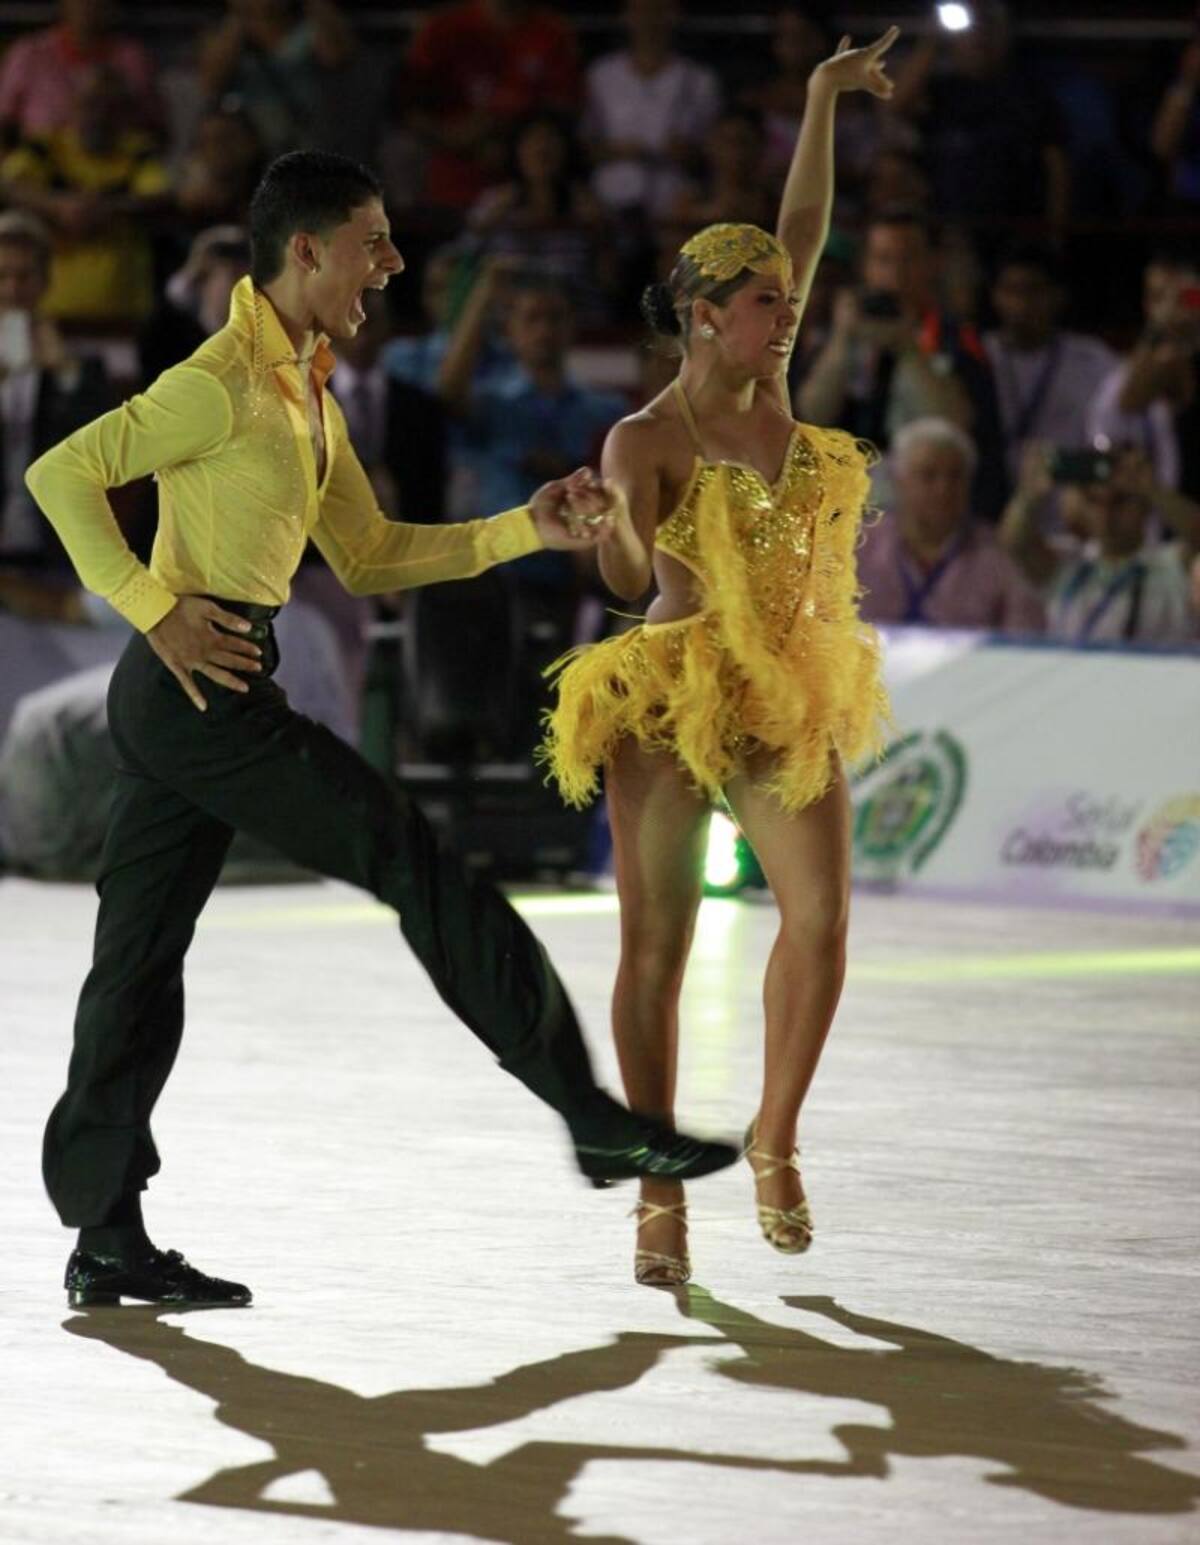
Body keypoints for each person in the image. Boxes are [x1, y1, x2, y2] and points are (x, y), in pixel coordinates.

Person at [25, 149, 738, 1311]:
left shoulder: (306, 391)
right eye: (374, 240)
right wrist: (155, 612)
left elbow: (368, 557)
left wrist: (528, 526)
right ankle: (590, 1118)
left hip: (206, 693)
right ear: (306, 249)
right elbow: (62, 475)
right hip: (196, 694)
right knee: (413, 861)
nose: (394, 263)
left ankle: (106, 1235)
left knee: (137, 964)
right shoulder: (218, 382)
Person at [540, 31, 900, 1287]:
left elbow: (803, 218)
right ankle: (656, 1181)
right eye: (763, 300)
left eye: (786, 298)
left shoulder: (778, 378)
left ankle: (775, 1136)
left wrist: (817, 100)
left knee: (824, 918)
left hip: (788, 683)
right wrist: (616, 524)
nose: (786, 308)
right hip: (671, 690)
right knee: (658, 947)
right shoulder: (646, 432)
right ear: (704, 317)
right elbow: (632, 585)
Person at [796, 209, 1007, 517]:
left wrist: (909, 348)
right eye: (883, 259)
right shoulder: (840, 333)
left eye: (909, 259)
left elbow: (956, 423)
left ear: (932, 264)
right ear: (866, 268)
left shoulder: (957, 340)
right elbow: (811, 412)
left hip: (928, 510)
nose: (896, 272)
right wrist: (842, 341)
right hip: (846, 510)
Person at [0, 211, 112, 620]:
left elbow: (108, 450)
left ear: (46, 282)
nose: (13, 289)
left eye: (25, 276)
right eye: (2, 276)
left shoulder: (82, 363)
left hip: (53, 555)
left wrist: (65, 373)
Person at [0, 63, 171, 326]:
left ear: (124, 113)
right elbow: (7, 186)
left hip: (123, 318)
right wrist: (56, 207)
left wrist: (104, 209)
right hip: (45, 315)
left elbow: (159, 199)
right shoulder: (46, 147)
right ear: (72, 104)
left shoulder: (138, 152)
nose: (98, 116)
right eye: (90, 104)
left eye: (109, 107)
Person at [856, 417, 1044, 632]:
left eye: (955, 477)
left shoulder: (998, 555)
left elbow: (1025, 640)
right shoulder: (856, 548)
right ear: (898, 481)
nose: (943, 489)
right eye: (928, 476)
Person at [1001, 444, 1199, 645]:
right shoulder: (1068, 564)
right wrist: (1027, 498)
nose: (1106, 515)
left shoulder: (1173, 564)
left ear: (1144, 505)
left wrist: (1153, 489)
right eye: (1094, 501)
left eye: (1120, 501)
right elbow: (1016, 543)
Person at [983, 243, 1115, 486]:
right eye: (1011, 290)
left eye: (1033, 291)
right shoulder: (978, 355)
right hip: (991, 502)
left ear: (1058, 296)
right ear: (995, 296)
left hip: (1068, 504)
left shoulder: (1093, 361)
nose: (1022, 303)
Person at [583, 0, 722, 222]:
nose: (649, 19)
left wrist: (686, 153)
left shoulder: (699, 79)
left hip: (675, 202)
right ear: (626, 15)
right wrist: (619, 151)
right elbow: (587, 145)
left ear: (675, 15)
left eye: (658, 10)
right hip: (611, 195)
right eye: (640, 10)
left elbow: (716, 151)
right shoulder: (601, 74)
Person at [0, 0, 163, 144]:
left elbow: (158, 130)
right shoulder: (29, 54)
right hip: (40, 169)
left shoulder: (132, 59)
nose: (88, 5)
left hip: (117, 167)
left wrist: (121, 104)